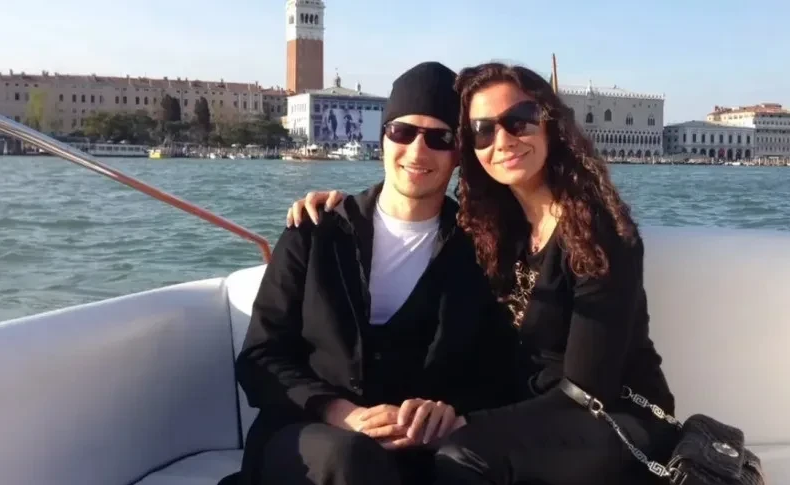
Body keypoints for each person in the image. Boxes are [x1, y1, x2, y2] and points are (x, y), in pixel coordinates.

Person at [286, 61, 676, 485]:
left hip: (610, 416)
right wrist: (345, 210)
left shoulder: (597, 232)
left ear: (551, 125)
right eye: (483, 131)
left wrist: (466, 422)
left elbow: (588, 387)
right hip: (532, 416)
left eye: (519, 121)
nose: (503, 141)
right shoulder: (498, 231)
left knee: (463, 455)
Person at [223, 61, 518, 485]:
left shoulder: (478, 252)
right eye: (403, 132)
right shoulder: (316, 230)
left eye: (440, 138)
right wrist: (341, 413)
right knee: (350, 458)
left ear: (459, 153)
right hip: (309, 435)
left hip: (413, 451)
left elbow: (495, 367)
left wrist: (449, 412)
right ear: (383, 139)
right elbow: (260, 358)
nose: (417, 151)